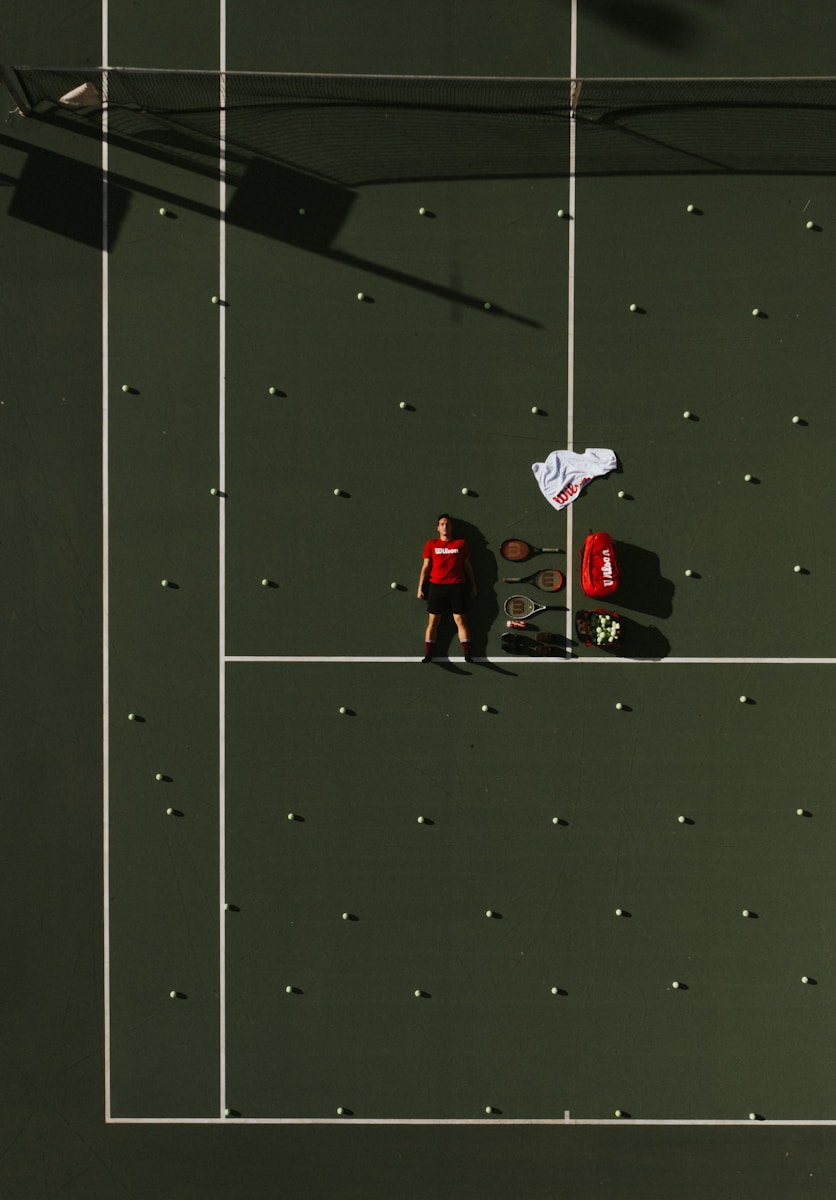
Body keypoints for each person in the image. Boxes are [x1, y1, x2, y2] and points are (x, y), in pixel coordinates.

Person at [417, 514, 477, 662]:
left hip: (457, 587)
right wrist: (420, 587)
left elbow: (467, 566)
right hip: (436, 587)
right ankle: (428, 654)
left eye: (447, 524)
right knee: (433, 622)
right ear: (438, 528)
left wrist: (474, 585)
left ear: (452, 527)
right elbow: (425, 567)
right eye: (442, 524)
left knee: (461, 621)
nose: (445, 526)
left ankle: (467, 655)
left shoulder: (461, 544)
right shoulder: (431, 544)